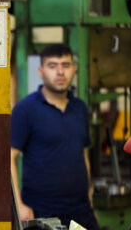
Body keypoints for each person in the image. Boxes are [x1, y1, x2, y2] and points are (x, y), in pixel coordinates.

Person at [11, 44, 99, 230]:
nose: (60, 72)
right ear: (41, 71)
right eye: (53, 66)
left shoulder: (80, 108)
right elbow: (10, 157)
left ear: (74, 69)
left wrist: (90, 199)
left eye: (65, 65)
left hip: (82, 212)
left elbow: (82, 154)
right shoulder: (26, 109)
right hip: (43, 213)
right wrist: (19, 205)